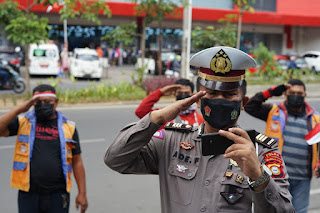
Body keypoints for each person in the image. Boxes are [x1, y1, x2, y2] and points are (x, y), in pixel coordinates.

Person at [105, 46, 294, 213]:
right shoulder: (172, 140)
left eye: (229, 95)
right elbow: (115, 159)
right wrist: (157, 117)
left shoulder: (261, 151)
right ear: (198, 100)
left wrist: (258, 177)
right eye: (211, 93)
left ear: (242, 103)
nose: (220, 99)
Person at [0, 84, 88, 213]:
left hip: (58, 194)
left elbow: (77, 161)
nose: (42, 105)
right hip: (29, 194)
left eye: (47, 101)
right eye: (38, 102)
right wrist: (20, 109)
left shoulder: (69, 128)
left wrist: (82, 193)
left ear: (56, 102)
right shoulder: (24, 122)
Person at [244, 79, 320, 213]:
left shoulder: (315, 118)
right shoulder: (274, 111)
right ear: (285, 94)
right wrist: (272, 91)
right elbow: (250, 106)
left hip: (303, 177)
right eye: (292, 92)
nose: (296, 95)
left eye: (299, 93)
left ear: (305, 95)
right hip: (277, 176)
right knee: (274, 209)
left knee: (300, 210)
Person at [135, 78, 204, 128]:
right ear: (174, 94)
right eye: (180, 93)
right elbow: (140, 112)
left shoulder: (201, 119)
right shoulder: (164, 115)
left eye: (186, 93)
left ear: (193, 95)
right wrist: (161, 92)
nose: (183, 96)